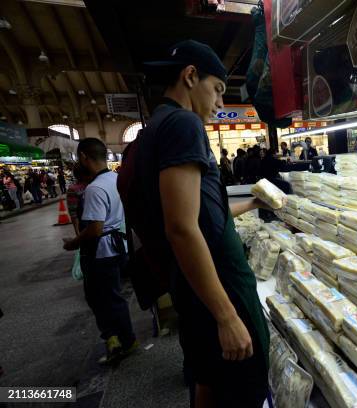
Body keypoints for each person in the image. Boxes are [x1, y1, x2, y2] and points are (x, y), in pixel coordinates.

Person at [122, 40, 270, 407]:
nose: (221, 103)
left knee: (210, 383)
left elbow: (200, 217)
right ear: (190, 76)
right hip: (219, 293)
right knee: (242, 391)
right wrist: (227, 316)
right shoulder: (183, 124)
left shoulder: (155, 128)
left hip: (194, 291)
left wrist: (253, 203)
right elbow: (181, 227)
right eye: (217, 89)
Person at [62, 138, 137, 365]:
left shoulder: (94, 189)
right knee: (110, 295)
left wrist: (73, 242)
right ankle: (116, 338)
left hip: (101, 251)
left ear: (84, 156)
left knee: (105, 297)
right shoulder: (116, 179)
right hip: (119, 246)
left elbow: (95, 229)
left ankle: (125, 340)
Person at [66, 164, 90, 236]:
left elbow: (73, 213)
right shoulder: (74, 189)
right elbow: (73, 213)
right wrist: (78, 233)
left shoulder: (73, 189)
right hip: (87, 226)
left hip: (86, 225)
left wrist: (77, 233)